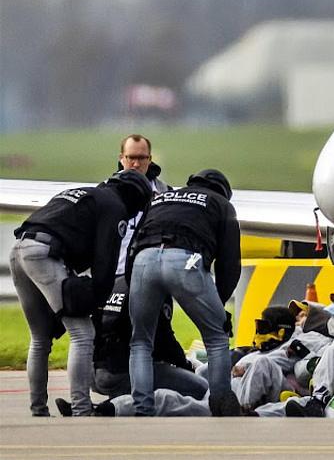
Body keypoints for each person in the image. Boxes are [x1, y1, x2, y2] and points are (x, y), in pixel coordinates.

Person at [9, 170, 152, 416]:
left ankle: (38, 409)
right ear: (134, 198)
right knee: (83, 333)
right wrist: (96, 300)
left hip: (19, 250)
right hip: (46, 254)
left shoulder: (83, 193)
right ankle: (82, 409)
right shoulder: (115, 206)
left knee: (40, 338)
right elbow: (105, 264)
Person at [128, 169, 241, 416]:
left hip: (143, 260)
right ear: (224, 192)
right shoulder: (221, 205)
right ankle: (221, 404)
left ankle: (142, 409)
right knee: (216, 337)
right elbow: (229, 265)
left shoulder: (161, 198)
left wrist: (132, 284)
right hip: (186, 260)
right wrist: (219, 307)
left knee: (140, 342)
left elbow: (134, 241)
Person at [115, 134, 169, 275]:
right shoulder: (104, 192)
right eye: (131, 157)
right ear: (121, 158)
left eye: (142, 158)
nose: (136, 164)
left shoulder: (165, 194)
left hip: (151, 278)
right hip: (113, 278)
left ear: (150, 159)